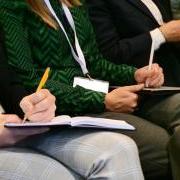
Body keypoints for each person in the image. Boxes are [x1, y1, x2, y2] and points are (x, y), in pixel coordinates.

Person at [0, 0, 171, 179]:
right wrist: (99, 99)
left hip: (95, 95)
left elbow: (94, 64)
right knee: (160, 147)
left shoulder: (74, 3)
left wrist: (134, 74)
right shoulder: (14, 5)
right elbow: (28, 79)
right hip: (63, 109)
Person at [86, 0, 180, 179]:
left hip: (168, 80)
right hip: (140, 90)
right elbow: (109, 54)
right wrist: (161, 35)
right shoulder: (97, 3)